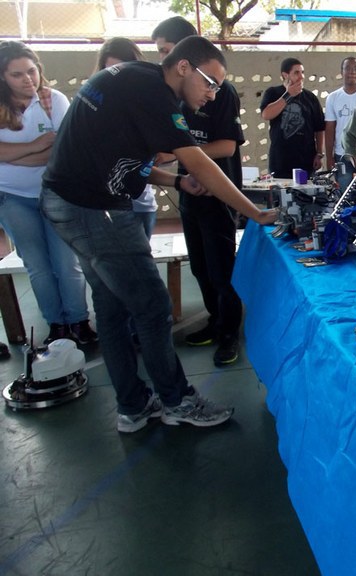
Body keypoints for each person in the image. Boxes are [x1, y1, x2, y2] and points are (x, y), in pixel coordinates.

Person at [40, 36, 277, 433]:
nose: (214, 94)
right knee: (151, 305)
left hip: (69, 201)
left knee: (114, 309)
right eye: (210, 82)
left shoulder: (133, 79)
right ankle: (177, 400)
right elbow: (199, 161)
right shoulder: (155, 95)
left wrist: (176, 182)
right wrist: (253, 211)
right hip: (94, 210)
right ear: (183, 67)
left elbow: (120, 157)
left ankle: (133, 407)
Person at [152, 16, 246, 366]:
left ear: (185, 59)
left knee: (224, 272)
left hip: (218, 194)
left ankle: (229, 334)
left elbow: (226, 147)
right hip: (190, 191)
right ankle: (215, 320)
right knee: (201, 270)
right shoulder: (170, 96)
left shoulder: (220, 92)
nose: (161, 61)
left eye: (165, 51)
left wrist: (183, 152)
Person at [0, 40, 97, 345]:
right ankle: (56, 325)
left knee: (66, 262)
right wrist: (36, 145)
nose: (28, 79)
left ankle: (79, 321)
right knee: (38, 266)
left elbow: (62, 151)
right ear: (3, 77)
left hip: (55, 193)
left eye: (32, 71)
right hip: (12, 197)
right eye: (17, 74)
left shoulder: (54, 101)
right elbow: (44, 147)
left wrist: (11, 154)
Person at [95, 37, 158, 237]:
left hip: (142, 202)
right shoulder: (93, 107)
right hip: (106, 203)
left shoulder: (150, 102)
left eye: (124, 68)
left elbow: (161, 156)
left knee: (141, 264)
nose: (118, 77)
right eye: (111, 70)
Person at [260, 57, 325, 179]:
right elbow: (266, 114)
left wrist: (319, 153)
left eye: (302, 72)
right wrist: (288, 95)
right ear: (285, 75)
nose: (301, 76)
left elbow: (319, 127)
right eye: (296, 73)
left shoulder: (310, 97)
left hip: (306, 159)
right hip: (280, 160)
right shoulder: (273, 92)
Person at [324, 56, 356, 189]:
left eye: (355, 69)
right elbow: (330, 129)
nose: (352, 72)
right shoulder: (333, 98)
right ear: (341, 72)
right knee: (345, 195)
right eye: (348, 68)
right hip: (342, 155)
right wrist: (329, 158)